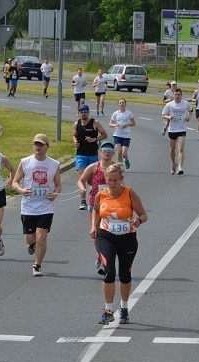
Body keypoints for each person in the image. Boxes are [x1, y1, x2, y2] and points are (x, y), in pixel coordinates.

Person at [90, 162, 147, 324]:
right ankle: (108, 310)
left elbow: (143, 215)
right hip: (106, 236)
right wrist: (94, 226)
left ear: (121, 179)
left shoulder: (129, 193)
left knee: (124, 275)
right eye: (109, 180)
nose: (112, 183)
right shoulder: (101, 195)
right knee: (109, 272)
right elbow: (96, 211)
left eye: (115, 180)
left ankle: (124, 308)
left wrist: (138, 220)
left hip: (127, 238)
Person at [11, 133, 62, 277]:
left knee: (42, 237)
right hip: (28, 206)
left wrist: (55, 194)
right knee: (30, 237)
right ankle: (31, 244)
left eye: (41, 144)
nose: (38, 147)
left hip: (46, 206)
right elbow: (14, 182)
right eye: (36, 144)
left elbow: (58, 185)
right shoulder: (25, 162)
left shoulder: (54, 164)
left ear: (47, 147)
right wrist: (21, 190)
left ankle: (37, 265)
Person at [77, 141, 115, 275]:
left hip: (111, 205)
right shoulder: (94, 167)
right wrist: (82, 188)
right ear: (100, 152)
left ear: (113, 153)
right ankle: (100, 255)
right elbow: (81, 180)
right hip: (95, 205)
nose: (107, 152)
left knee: (109, 232)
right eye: (105, 150)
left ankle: (105, 258)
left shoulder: (116, 169)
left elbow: (121, 184)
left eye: (110, 150)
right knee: (97, 233)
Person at [73, 103, 108, 210]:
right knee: (82, 178)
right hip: (81, 154)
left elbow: (104, 134)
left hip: (92, 154)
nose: (83, 114)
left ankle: (93, 189)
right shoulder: (76, 124)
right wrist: (75, 142)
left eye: (85, 112)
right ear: (78, 113)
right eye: (81, 112)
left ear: (88, 112)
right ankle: (83, 201)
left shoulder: (95, 123)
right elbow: (74, 135)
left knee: (91, 180)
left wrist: (94, 139)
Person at [162, 88, 193, 175]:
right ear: (173, 95)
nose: (177, 96)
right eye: (175, 95)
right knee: (172, 150)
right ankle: (173, 164)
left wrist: (188, 117)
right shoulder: (169, 105)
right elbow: (163, 115)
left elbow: (191, 111)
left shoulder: (185, 104)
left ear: (181, 95)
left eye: (178, 95)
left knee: (181, 149)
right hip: (172, 129)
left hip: (182, 129)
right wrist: (169, 117)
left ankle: (180, 167)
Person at [108, 98, 136, 169]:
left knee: (124, 153)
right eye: (120, 103)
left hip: (126, 135)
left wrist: (127, 124)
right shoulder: (115, 113)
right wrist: (115, 125)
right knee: (118, 152)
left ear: (125, 104)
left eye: (123, 103)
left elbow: (133, 123)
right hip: (117, 135)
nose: (121, 104)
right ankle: (120, 168)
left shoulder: (129, 113)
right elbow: (110, 124)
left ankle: (126, 159)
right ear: (118, 104)